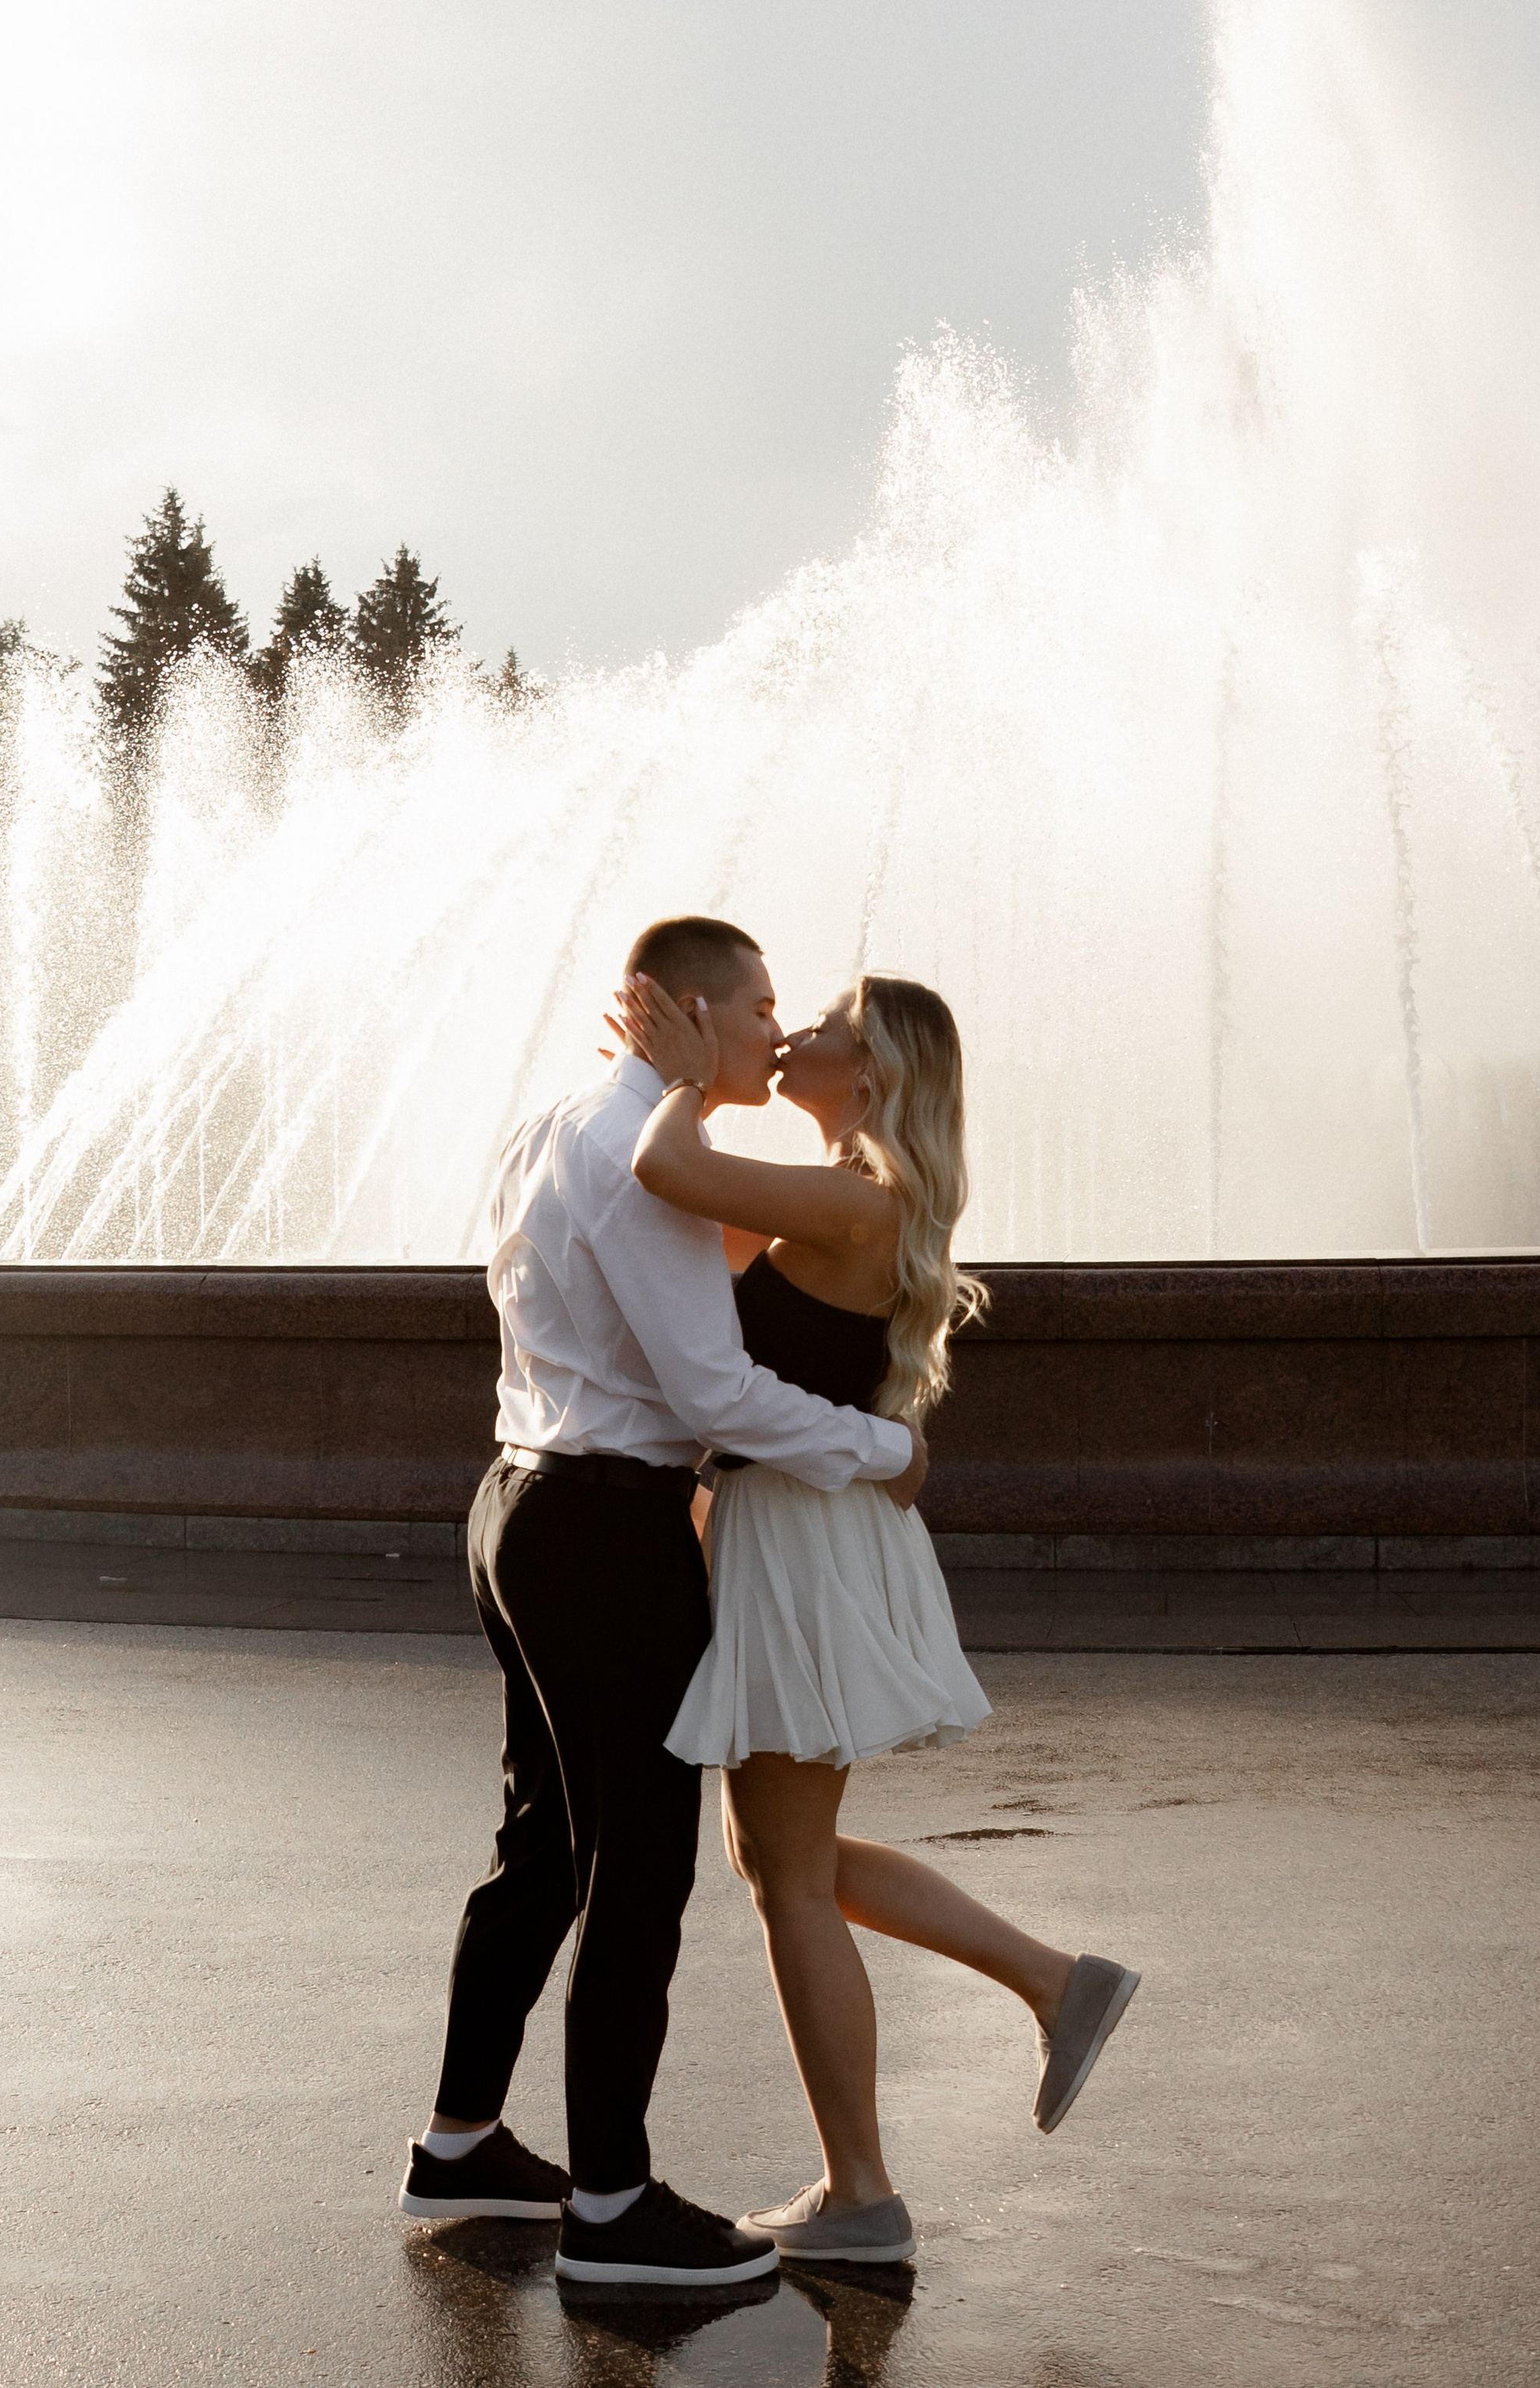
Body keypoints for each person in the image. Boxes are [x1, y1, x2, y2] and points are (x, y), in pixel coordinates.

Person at [398, 916, 931, 2290]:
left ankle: (462, 2140)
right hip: (604, 1530)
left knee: (540, 1843)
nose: (774, 1028)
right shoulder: (639, 1155)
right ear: (688, 1012)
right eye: (758, 1007)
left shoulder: (564, 1119)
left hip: (516, 1501)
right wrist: (884, 1450)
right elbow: (713, 1392)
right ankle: (614, 2208)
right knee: (637, 1867)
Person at [614, 965, 1141, 2270]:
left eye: (827, 1033)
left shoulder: (855, 1195)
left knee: (786, 1869)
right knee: (779, 1857)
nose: (794, 1036)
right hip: (807, 1530)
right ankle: (1052, 1980)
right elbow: (701, 1247)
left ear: (876, 1075)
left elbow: (669, 1168)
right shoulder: (848, 1198)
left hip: (801, 1540)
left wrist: (683, 1075)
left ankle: (863, 2192)